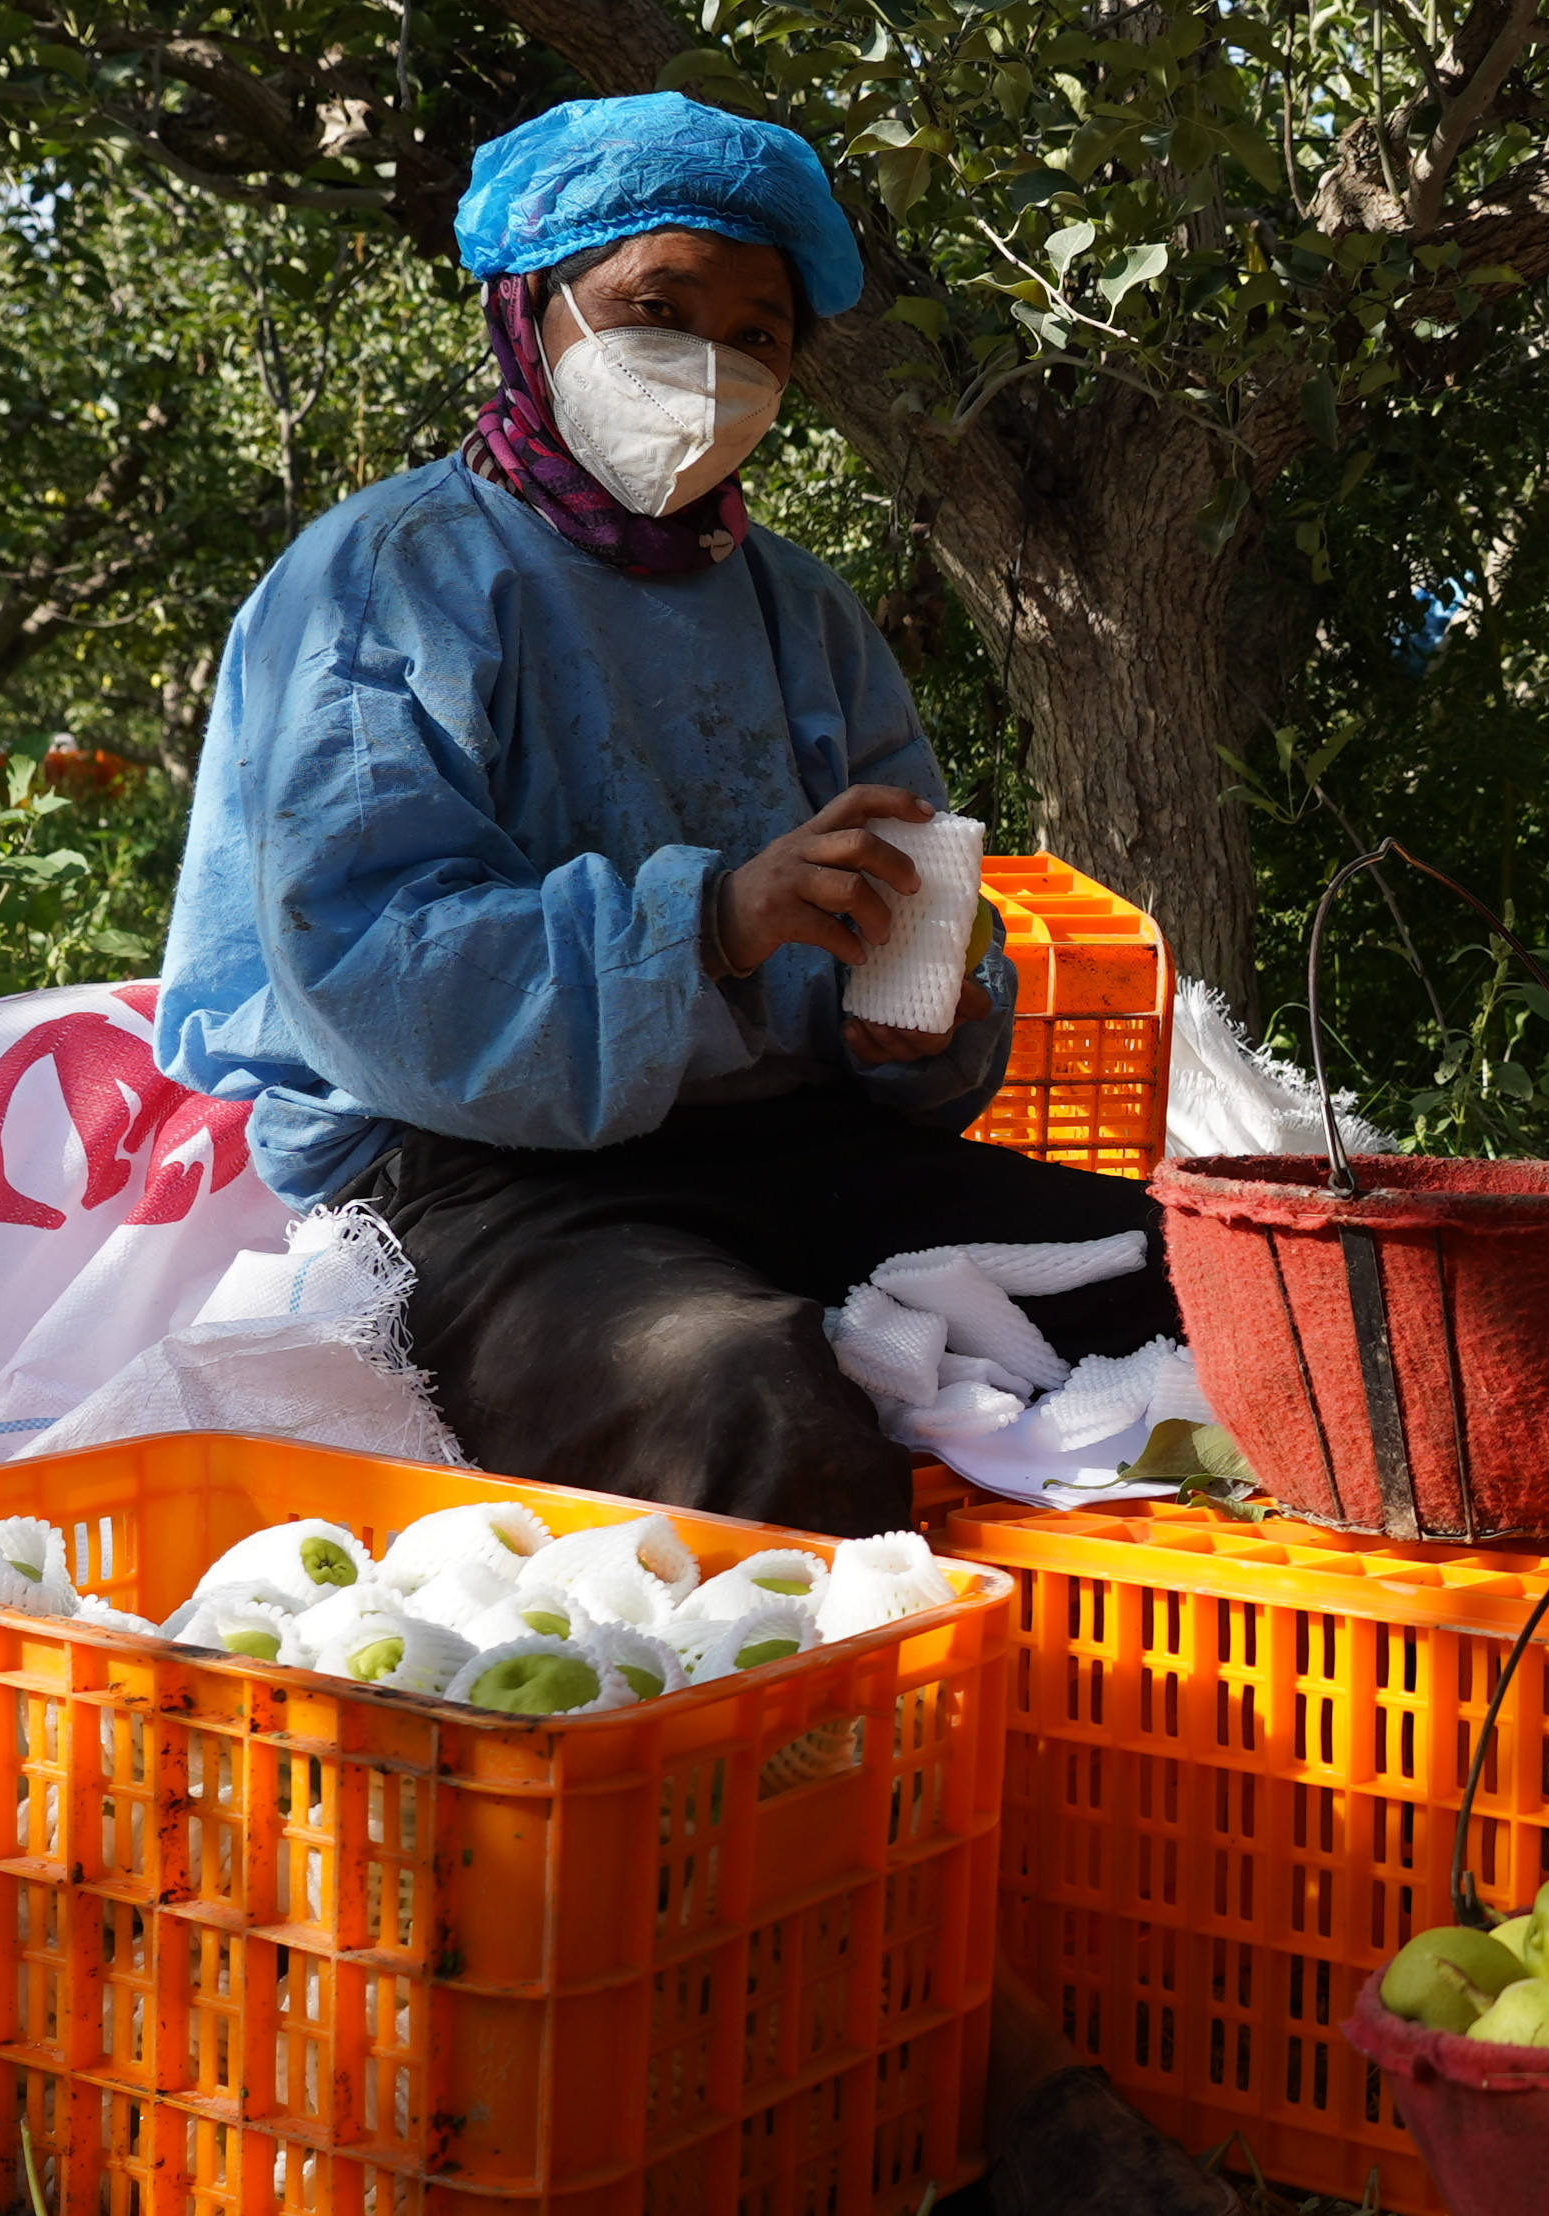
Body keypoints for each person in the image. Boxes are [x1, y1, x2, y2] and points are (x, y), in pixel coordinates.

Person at [154, 94, 1185, 1541]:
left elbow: (911, 947)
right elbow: (371, 971)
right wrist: (707, 922)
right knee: (742, 1398)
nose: (708, 370)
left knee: (1221, 1290)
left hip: (794, 1148)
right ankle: (794, 1756)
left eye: (756, 334)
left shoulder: (805, 612)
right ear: (532, 311)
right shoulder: (390, 578)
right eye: (658, 307)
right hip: (469, 1182)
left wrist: (911, 1020)